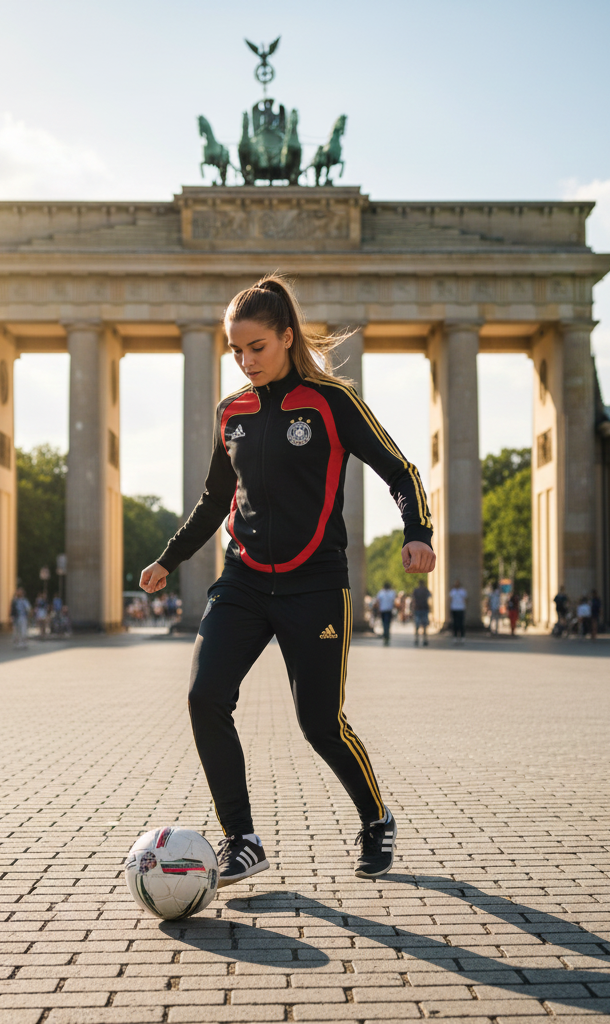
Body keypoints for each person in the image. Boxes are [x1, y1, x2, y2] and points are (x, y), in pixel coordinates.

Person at [138, 274, 435, 885]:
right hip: (243, 580)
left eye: (257, 348)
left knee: (319, 723)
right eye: (235, 350)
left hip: (316, 585)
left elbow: (399, 469)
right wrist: (169, 558)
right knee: (204, 697)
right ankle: (240, 838)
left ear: (287, 338)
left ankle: (376, 818)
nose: (245, 361)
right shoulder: (232, 413)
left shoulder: (333, 402)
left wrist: (417, 532)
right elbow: (214, 500)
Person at [375, 581, 397, 646]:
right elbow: (394, 602)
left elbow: (378, 601)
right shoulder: (392, 593)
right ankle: (386, 635)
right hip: (389, 610)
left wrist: (378, 610)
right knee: (388, 624)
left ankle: (385, 635)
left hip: (383, 610)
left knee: (384, 624)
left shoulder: (381, 593)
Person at [411, 581, 431, 647]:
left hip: (418, 609)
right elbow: (430, 597)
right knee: (424, 625)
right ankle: (425, 639)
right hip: (424, 608)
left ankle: (416, 639)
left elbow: (413, 599)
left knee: (417, 625)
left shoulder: (416, 591)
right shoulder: (425, 590)